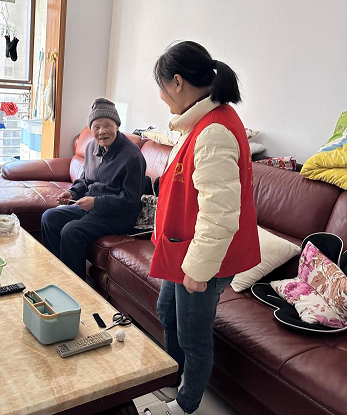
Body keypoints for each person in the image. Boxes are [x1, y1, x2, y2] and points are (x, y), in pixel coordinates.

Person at [147, 41, 261, 415]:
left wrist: (198, 270)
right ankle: (173, 378)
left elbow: (220, 213)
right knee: (167, 311)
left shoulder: (214, 131)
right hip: (184, 249)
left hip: (204, 258)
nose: (162, 97)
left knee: (193, 336)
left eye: (162, 87)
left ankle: (185, 404)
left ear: (178, 82)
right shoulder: (198, 123)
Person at [41, 98, 147, 280]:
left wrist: (96, 202)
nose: (102, 131)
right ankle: (58, 274)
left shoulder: (132, 157)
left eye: (107, 125)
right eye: (96, 127)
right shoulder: (91, 147)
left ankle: (75, 286)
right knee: (49, 218)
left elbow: (131, 200)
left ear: (117, 126)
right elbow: (85, 180)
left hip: (118, 215)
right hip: (91, 208)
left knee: (71, 231)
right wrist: (72, 193)